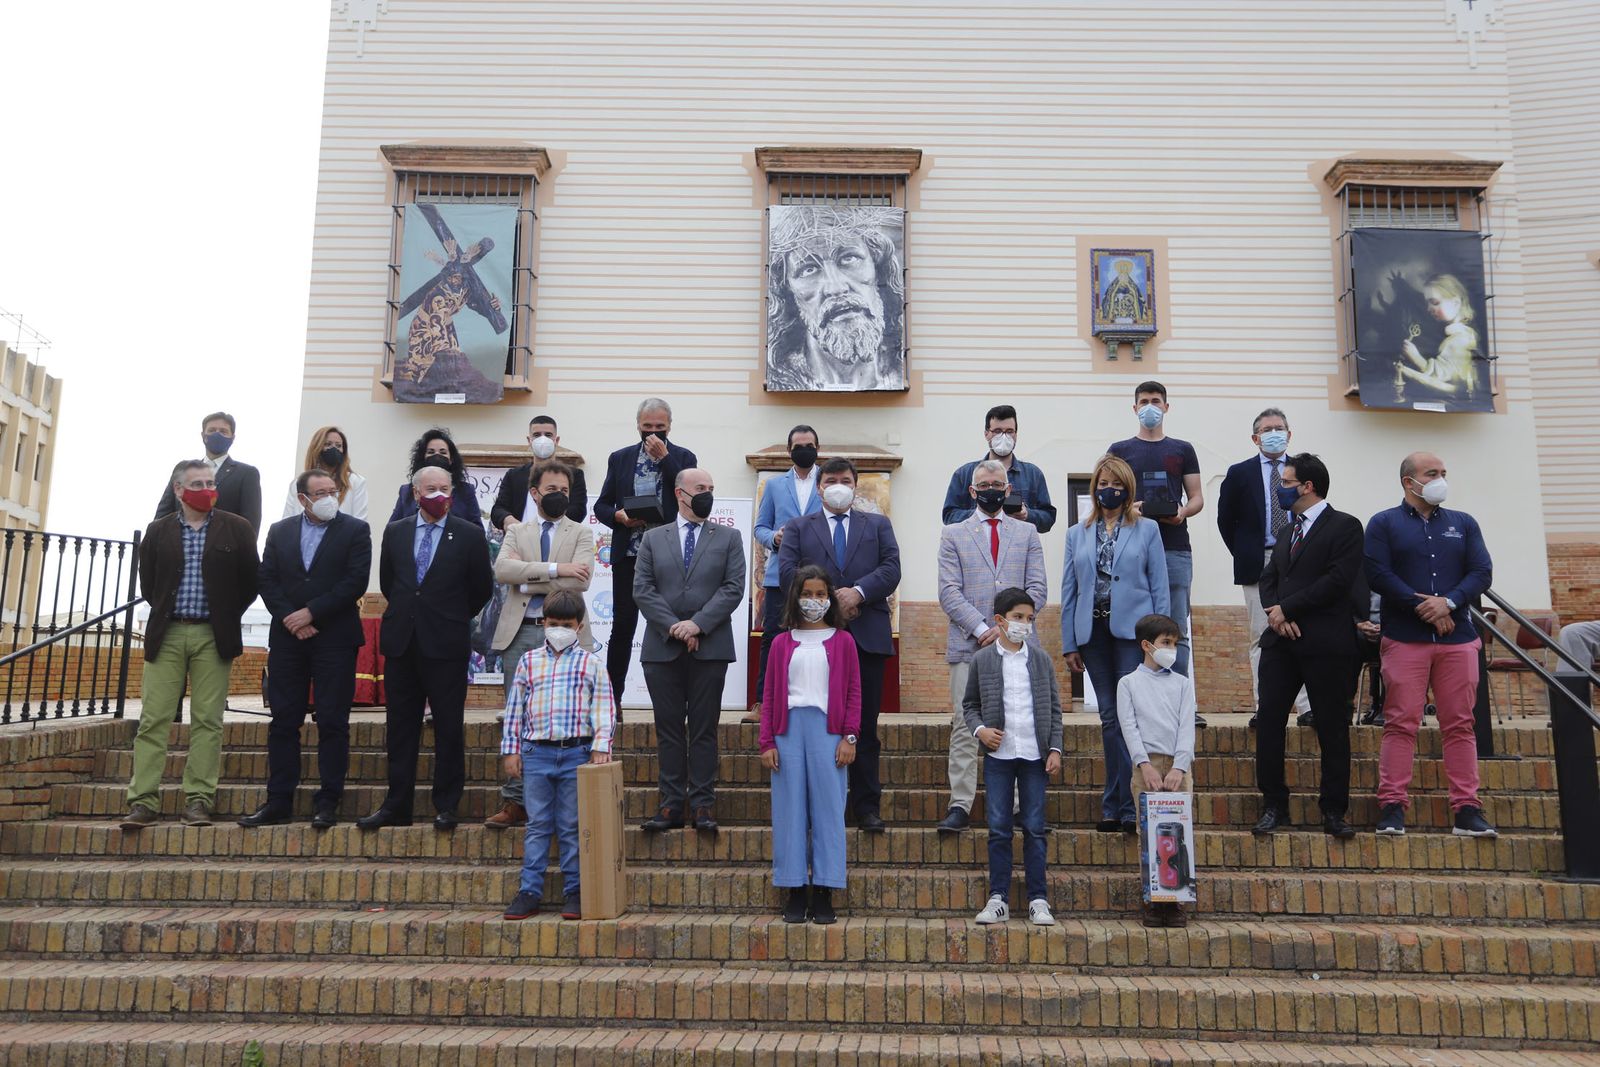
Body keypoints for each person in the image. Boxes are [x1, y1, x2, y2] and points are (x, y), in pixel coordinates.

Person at [121, 460, 259, 830]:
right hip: (168, 634)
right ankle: (143, 802)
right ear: (179, 490)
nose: (207, 489)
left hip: (213, 635)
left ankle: (198, 800)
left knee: (208, 720)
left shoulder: (237, 528)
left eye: (211, 482)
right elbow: (149, 584)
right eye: (197, 483)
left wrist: (226, 614)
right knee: (153, 719)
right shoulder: (159, 530)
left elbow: (250, 581)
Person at [1366, 451, 1496, 838]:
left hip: (1458, 640)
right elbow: (1377, 573)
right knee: (1400, 723)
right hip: (1405, 639)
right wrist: (1423, 606)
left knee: (1460, 724)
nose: (1440, 479)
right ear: (1409, 482)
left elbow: (1481, 571)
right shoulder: (1383, 523)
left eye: (1443, 472)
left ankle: (1467, 809)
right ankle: (1392, 806)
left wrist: (1449, 603)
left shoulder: (1463, 523)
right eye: (1432, 473)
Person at [358, 465, 493, 831]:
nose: (439, 495)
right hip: (402, 643)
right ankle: (396, 805)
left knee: (448, 727)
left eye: (445, 488)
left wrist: (449, 616)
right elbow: (390, 582)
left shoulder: (468, 534)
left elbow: (481, 588)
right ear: (416, 493)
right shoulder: (396, 531)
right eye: (431, 488)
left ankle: (446, 805)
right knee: (400, 728)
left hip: (446, 644)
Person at [242, 469, 372, 829]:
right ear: (303, 499)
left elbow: (355, 581)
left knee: (332, 721)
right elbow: (266, 578)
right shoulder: (279, 531)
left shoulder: (355, 530)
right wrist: (291, 618)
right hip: (288, 639)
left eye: (333, 491)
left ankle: (328, 800)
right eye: (321, 493)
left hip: (336, 639)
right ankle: (278, 800)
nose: (330, 497)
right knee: (284, 720)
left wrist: (312, 612)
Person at [778, 457, 902, 832]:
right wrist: (832, 599)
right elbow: (787, 574)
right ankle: (821, 804)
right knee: (820, 722)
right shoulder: (799, 527)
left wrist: (859, 592)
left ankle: (865, 806)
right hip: (813, 639)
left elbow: (891, 568)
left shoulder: (878, 525)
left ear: (855, 485)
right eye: (830, 480)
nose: (838, 486)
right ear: (818, 487)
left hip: (867, 637)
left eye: (845, 480)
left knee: (864, 725)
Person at [1251, 453, 1365, 840]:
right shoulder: (1287, 531)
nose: (1280, 488)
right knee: (1269, 722)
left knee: (1332, 727)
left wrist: (1290, 608)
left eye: (1286, 482)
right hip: (1280, 643)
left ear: (1308, 486)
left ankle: (1333, 809)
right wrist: (1276, 613)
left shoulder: (1345, 526)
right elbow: (1269, 578)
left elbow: (1338, 580)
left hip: (1326, 643)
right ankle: (1274, 804)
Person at [934, 459, 1047, 833]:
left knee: (1016, 720)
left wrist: (1009, 628)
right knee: (964, 724)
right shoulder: (953, 534)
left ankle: (1016, 806)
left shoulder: (1027, 533)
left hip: (1018, 645)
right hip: (969, 643)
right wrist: (984, 628)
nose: (991, 490)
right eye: (984, 485)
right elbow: (949, 592)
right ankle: (960, 804)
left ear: (1008, 489)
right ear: (972, 491)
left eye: (998, 484)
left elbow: (1037, 589)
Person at [484, 460, 595, 830]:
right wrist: (556, 569)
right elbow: (503, 571)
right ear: (535, 493)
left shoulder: (582, 532)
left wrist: (527, 577)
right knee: (518, 716)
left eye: (564, 491)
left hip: (567, 634)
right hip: (520, 633)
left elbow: (580, 582)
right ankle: (515, 800)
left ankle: (567, 799)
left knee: (569, 714)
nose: (558, 496)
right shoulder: (517, 531)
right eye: (551, 490)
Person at [1060, 454, 1169, 836]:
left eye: (1117, 484)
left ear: (1128, 489)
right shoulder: (1076, 533)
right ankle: (1117, 804)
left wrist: (1161, 639)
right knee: (1109, 719)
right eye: (1103, 483)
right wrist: (1069, 643)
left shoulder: (1147, 529)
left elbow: (1159, 585)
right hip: (1092, 634)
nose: (1110, 490)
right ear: (1094, 488)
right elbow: (1069, 591)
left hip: (1132, 635)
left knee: (1128, 718)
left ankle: (1128, 806)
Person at [633, 467, 746, 833]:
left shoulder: (729, 537)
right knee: (668, 730)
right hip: (662, 648)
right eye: (701, 487)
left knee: (703, 729)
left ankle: (702, 804)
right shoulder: (653, 538)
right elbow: (643, 589)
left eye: (712, 487)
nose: (707, 493)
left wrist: (697, 624)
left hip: (710, 647)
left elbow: (733, 588)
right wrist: (675, 628)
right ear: (680, 493)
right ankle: (670, 805)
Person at [499, 590, 615, 922]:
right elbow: (515, 709)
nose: (559, 630)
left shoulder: (591, 664)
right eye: (553, 624)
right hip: (536, 753)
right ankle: (529, 891)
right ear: (543, 622)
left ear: (579, 626)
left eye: (566, 624)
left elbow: (603, 708)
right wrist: (511, 749)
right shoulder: (528, 661)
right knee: (537, 824)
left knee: (570, 825)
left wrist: (600, 746)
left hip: (576, 754)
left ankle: (574, 891)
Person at [760, 565, 861, 926]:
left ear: (829, 598)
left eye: (820, 594)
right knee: (789, 812)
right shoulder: (781, 643)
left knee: (828, 812)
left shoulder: (843, 641)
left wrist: (850, 736)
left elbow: (853, 692)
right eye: (807, 594)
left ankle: (824, 889)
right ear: (795, 597)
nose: (813, 600)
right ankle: (794, 889)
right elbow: (770, 696)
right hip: (787, 732)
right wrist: (766, 741)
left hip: (828, 732)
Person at [965, 588, 1063, 928]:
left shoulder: (1041, 660)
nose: (1024, 624)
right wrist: (981, 731)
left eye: (1029, 618)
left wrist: (1055, 748)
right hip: (999, 756)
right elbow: (970, 705)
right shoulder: (982, 660)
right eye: (1018, 617)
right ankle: (999, 898)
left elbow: (1054, 708)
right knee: (998, 828)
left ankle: (1038, 899)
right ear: (1000, 620)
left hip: (1035, 756)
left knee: (1035, 828)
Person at [593, 398, 698, 703]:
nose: (653, 432)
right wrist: (618, 516)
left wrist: (665, 458)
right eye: (647, 426)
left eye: (659, 427)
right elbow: (601, 504)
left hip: (670, 556)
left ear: (670, 427)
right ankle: (613, 700)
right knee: (623, 628)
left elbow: (689, 496)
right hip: (630, 555)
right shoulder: (620, 458)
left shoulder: (684, 456)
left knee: (672, 625)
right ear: (637, 425)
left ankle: (675, 701)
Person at [1216, 407, 1310, 727]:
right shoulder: (1239, 473)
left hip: (1299, 558)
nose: (1273, 433)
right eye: (1267, 429)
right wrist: (1246, 553)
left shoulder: (1303, 470)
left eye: (1279, 428)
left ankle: (1307, 707)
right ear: (1255, 438)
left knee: (1302, 630)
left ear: (1289, 434)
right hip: (1259, 561)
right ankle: (1265, 706)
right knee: (1262, 634)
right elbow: (1226, 521)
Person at [1107, 381, 1203, 685]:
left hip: (1174, 548)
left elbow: (1197, 497)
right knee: (1135, 626)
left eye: (1156, 401)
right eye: (1144, 401)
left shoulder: (1183, 449)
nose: (1150, 407)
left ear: (1166, 406)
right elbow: (1107, 495)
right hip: (1131, 547)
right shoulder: (1119, 450)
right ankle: (1138, 696)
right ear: (1135, 408)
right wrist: (1128, 509)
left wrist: (1182, 512)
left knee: (1176, 629)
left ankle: (1179, 697)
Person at [765, 205, 906, 392]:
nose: (836, 288)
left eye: (849, 258)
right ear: (787, 291)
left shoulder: (903, 370)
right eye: (809, 270)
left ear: (877, 269)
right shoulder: (778, 379)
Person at [1117, 612, 1197, 928]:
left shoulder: (1182, 684)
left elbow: (1187, 727)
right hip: (1146, 767)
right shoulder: (1128, 683)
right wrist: (1144, 764)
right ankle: (1153, 899)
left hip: (1178, 767)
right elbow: (1129, 726)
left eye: (1174, 643)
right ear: (1147, 645)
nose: (1171, 649)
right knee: (1149, 833)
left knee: (1178, 832)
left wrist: (1179, 766)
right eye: (1165, 642)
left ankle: (1176, 901)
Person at [750, 425, 825, 724]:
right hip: (779, 576)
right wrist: (774, 538)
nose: (804, 450)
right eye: (798, 446)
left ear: (818, 448)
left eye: (809, 445)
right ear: (788, 450)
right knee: (773, 638)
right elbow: (760, 528)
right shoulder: (774, 486)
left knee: (819, 637)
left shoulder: (827, 482)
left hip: (820, 577)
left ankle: (819, 701)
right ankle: (763, 703)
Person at [940, 404, 1057, 532]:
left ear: (1016, 434)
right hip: (976, 543)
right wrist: (981, 513)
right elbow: (949, 516)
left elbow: (1048, 519)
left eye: (1009, 431)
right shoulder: (964, 474)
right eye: (997, 431)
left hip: (1018, 543)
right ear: (986, 434)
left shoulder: (1033, 474)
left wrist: (1027, 515)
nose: (1004, 436)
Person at [154, 412, 263, 538]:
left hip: (224, 546)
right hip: (179, 545)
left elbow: (251, 523)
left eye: (223, 431)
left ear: (232, 437)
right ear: (203, 435)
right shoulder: (183, 469)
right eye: (212, 430)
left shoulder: (247, 473)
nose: (217, 434)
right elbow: (163, 513)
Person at [490, 415, 589, 529]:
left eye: (548, 435)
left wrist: (551, 524)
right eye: (537, 435)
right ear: (529, 440)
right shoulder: (514, 475)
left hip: (558, 536)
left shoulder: (574, 475)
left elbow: (578, 511)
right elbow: (498, 509)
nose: (543, 440)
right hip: (521, 537)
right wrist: (510, 521)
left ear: (556, 440)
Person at [1397, 275, 1483, 404]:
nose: (1429, 309)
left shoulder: (1460, 339)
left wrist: (1416, 357)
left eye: (1435, 302)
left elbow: (1441, 375)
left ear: (1455, 303)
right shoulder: (1461, 334)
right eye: (1427, 303)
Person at [387, 428, 483, 525]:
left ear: (451, 459)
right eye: (431, 452)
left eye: (443, 452)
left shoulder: (465, 491)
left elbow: (477, 529)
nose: (437, 455)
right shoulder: (406, 492)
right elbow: (393, 528)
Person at [280, 426, 368, 522]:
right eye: (328, 444)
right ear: (316, 448)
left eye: (338, 445)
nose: (334, 448)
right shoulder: (297, 484)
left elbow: (360, 522)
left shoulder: (355, 482)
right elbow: (287, 521)